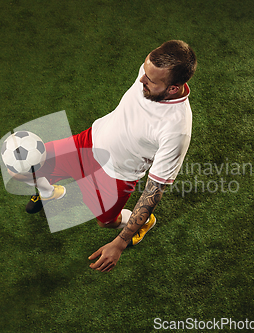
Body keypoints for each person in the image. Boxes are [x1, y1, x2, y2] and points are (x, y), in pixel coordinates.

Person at [16, 40, 197, 272]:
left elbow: (153, 192)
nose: (141, 78)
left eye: (150, 80)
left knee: (106, 222)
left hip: (116, 176)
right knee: (30, 167)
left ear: (173, 88)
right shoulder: (150, 73)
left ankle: (145, 223)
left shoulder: (176, 130)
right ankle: (49, 191)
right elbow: (147, 75)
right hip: (89, 142)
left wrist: (119, 244)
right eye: (144, 70)